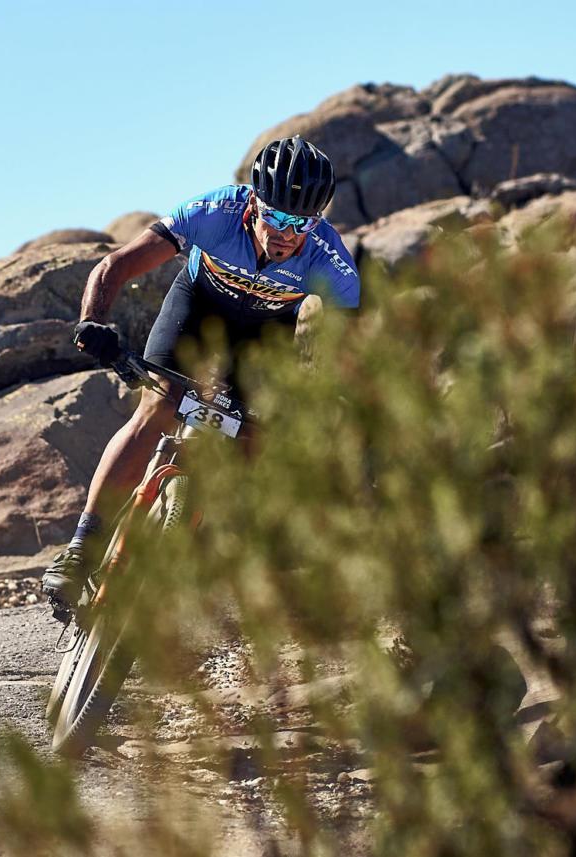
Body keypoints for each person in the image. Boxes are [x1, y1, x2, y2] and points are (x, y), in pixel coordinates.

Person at [41, 134, 361, 615]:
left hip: (263, 334)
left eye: (300, 223)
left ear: (316, 222)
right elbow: (115, 266)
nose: (284, 232)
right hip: (196, 306)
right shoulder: (213, 212)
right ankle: (81, 549)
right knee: (158, 406)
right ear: (252, 202)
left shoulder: (329, 258)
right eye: (274, 216)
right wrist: (93, 322)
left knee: (259, 442)